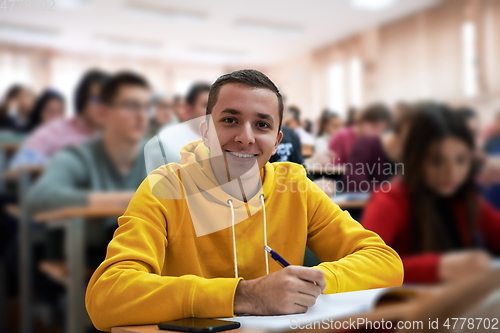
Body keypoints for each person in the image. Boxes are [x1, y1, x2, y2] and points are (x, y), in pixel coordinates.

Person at [86, 69, 403, 331]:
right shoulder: (164, 187)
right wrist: (244, 295)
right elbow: (107, 296)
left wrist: (311, 283)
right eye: (230, 120)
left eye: (262, 125)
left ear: (277, 141)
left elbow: (385, 263)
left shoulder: (295, 187)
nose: (246, 137)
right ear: (206, 131)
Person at [361, 103, 500, 284]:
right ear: (416, 158)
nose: (451, 173)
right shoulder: (390, 200)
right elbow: (363, 265)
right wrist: (438, 268)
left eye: (461, 160)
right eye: (436, 161)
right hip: (403, 308)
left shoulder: (464, 197)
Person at [27, 71, 150, 268]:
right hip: (89, 255)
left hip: (145, 253)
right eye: (130, 106)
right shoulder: (79, 156)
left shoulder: (156, 153)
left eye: (146, 107)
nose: (142, 116)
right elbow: (39, 197)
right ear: (104, 112)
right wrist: (123, 200)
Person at [8, 69, 108, 170]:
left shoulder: (111, 136)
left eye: (109, 101)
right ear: (82, 99)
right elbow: (20, 165)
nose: (104, 107)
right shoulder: (56, 130)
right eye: (97, 100)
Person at [342, 104, 414, 193]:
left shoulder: (416, 152)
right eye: (374, 126)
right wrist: (389, 190)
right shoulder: (365, 144)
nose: (378, 131)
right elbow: (353, 184)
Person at [153, 83, 210, 164]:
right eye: (205, 106)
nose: (211, 112)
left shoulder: (219, 140)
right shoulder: (166, 138)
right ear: (189, 109)